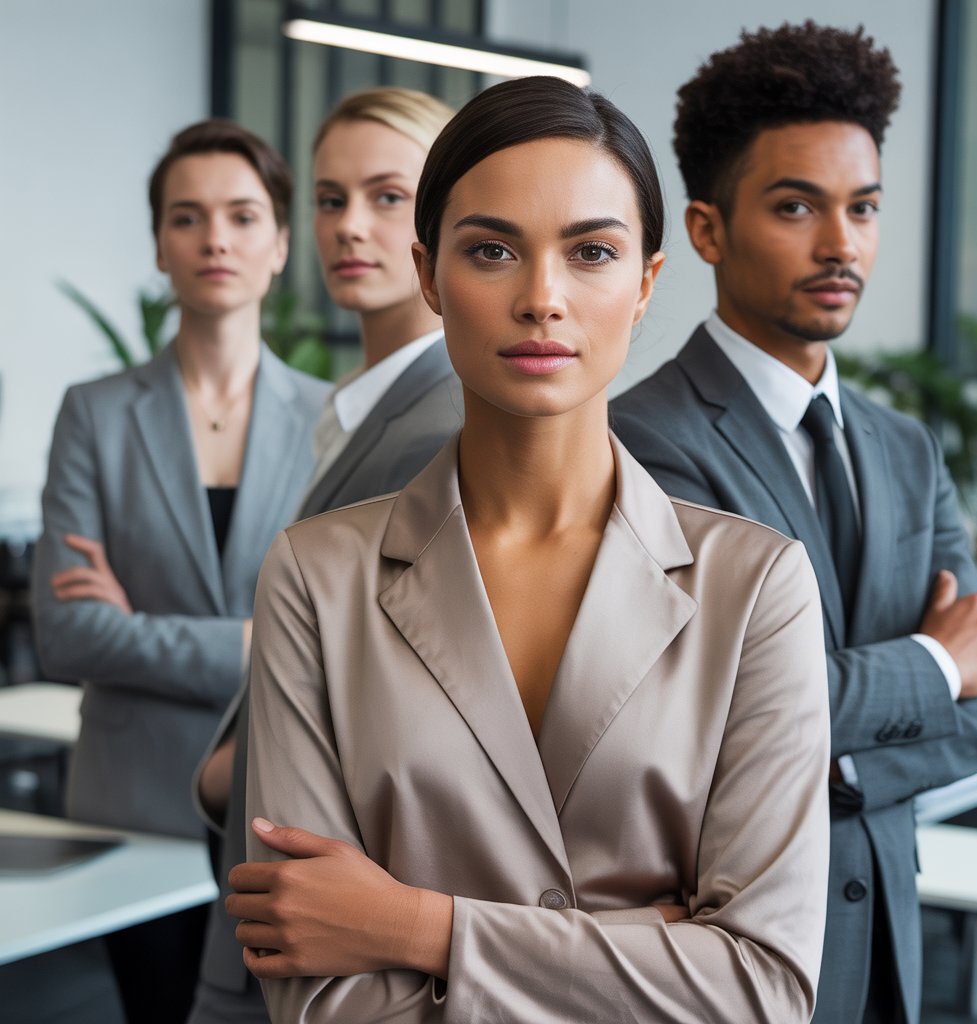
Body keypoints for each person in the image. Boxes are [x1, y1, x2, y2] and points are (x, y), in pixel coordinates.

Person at [226, 75, 831, 1024]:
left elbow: (762, 988)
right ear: (429, 277)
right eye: (492, 250)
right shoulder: (317, 573)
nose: (542, 298)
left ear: (646, 286)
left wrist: (416, 926)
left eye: (591, 252)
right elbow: (318, 989)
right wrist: (655, 940)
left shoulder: (756, 587)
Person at [610, 22, 977, 1024]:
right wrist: (930, 668)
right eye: (796, 207)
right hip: (727, 951)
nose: (841, 244)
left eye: (863, 208)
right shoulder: (639, 443)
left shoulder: (902, 447)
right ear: (706, 231)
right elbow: (698, 720)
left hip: (887, 944)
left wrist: (819, 754)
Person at [30, 119, 329, 1024]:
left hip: (280, 800)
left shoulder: (329, 424)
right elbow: (66, 632)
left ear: (278, 245)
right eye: (188, 217)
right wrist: (250, 639)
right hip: (130, 807)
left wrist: (141, 631)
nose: (216, 240)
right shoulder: (95, 414)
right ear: (160, 243)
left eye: (242, 216)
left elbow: (336, 643)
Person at [187, 87, 461, 1024]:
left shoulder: (443, 423)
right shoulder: (354, 411)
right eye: (330, 198)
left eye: (389, 197)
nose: (351, 227)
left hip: (337, 923)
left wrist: (230, 770)